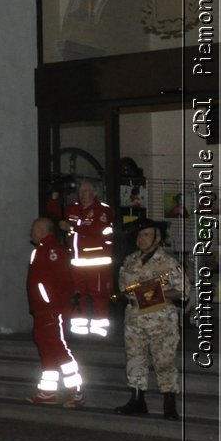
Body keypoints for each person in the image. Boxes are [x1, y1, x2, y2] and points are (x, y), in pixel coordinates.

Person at [115, 218, 186, 420]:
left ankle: (169, 403)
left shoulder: (169, 263)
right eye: (139, 235)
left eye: (146, 235)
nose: (141, 239)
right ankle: (137, 399)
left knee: (164, 361)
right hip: (134, 319)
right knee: (135, 360)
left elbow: (182, 289)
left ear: (157, 239)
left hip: (161, 320)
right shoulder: (129, 261)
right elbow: (124, 289)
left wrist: (154, 295)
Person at [26, 217, 85, 407]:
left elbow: (59, 280)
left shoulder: (51, 250)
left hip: (51, 310)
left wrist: (49, 304)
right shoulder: (43, 249)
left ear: (43, 230)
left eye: (33, 229)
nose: (30, 233)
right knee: (47, 351)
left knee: (59, 350)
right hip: (43, 310)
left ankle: (76, 392)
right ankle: (48, 393)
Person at [48, 178, 115, 337]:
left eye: (86, 191)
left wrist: (72, 227)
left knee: (99, 296)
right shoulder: (73, 209)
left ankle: (100, 332)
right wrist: (55, 195)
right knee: (77, 295)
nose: (83, 195)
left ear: (95, 192)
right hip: (76, 264)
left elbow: (95, 229)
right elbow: (55, 212)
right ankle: (79, 330)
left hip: (97, 264)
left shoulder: (103, 210)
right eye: (81, 192)